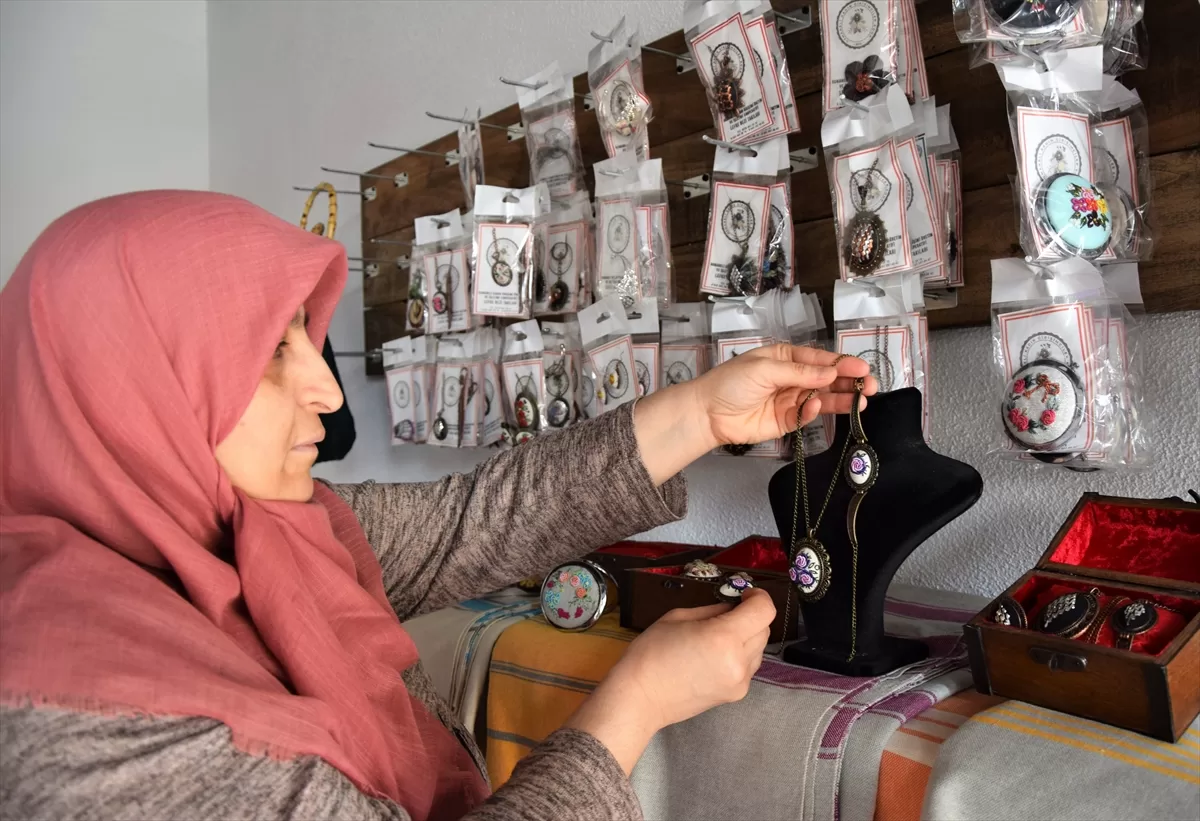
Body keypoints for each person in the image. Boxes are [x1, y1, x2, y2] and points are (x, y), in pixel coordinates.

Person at [0, 191, 874, 821]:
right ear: (126, 391)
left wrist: (702, 413)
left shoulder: (267, 529)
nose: (327, 392)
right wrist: (633, 705)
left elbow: (473, 521)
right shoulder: (89, 734)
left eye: (306, 336)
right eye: (270, 352)